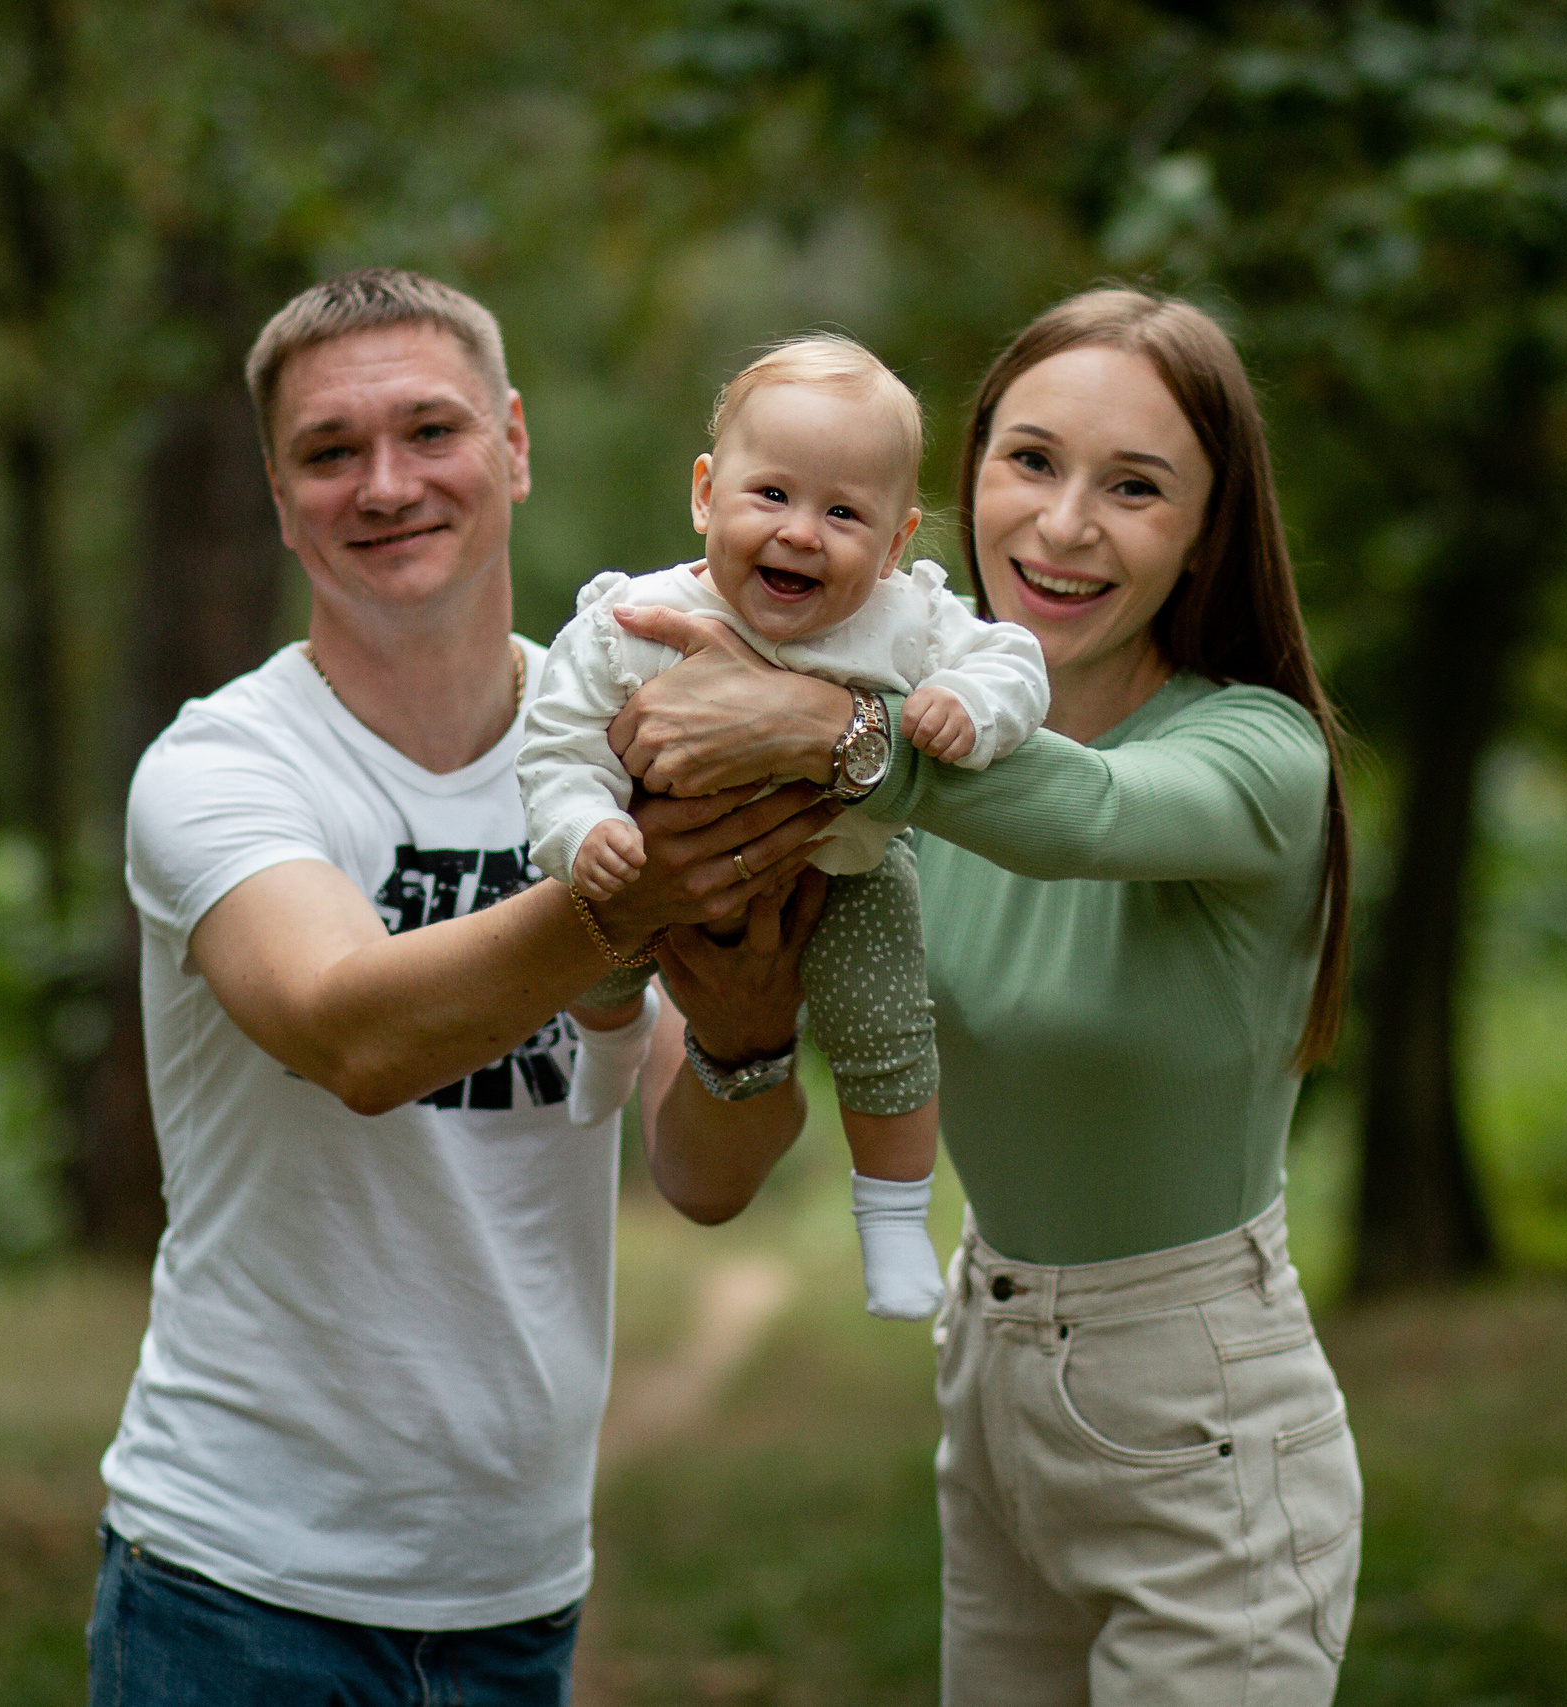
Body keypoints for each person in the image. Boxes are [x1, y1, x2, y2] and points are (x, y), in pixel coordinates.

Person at [86, 266, 831, 1707]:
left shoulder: (631, 745)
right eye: (329, 450)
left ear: (515, 445)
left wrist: (748, 1023)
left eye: (431, 431)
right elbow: (353, 1030)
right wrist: (657, 884)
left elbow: (709, 1169)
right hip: (236, 1587)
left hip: (516, 1590)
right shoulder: (221, 765)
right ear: (279, 490)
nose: (386, 484)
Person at [609, 286, 1363, 1705]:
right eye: (1029, 461)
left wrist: (828, 726)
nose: (1064, 526)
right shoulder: (885, 773)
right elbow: (722, 1137)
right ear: (960, 485)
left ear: (1207, 528)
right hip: (991, 1375)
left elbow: (1081, 814)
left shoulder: (1257, 753)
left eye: (1135, 486)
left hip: (1203, 1409)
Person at [520, 334, 1047, 1321]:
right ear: (705, 494)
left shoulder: (904, 621)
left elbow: (1016, 663)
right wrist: (583, 822)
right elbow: (558, 744)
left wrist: (968, 706)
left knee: (887, 1034)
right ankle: (605, 1046)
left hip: (836, 876)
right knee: (583, 940)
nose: (803, 533)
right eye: (773, 496)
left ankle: (892, 1217)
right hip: (646, 861)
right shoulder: (633, 620)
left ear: (895, 544)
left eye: (844, 513)